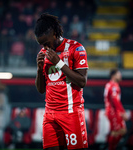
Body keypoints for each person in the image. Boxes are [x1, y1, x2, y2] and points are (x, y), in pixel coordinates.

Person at [35, 13, 89, 150]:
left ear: (54, 33)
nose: (45, 47)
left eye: (46, 43)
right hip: (50, 115)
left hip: (71, 113)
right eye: (42, 44)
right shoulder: (45, 53)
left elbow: (82, 81)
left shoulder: (76, 48)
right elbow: (41, 89)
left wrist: (58, 63)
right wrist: (39, 69)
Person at [104, 69, 128, 150]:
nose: (120, 76)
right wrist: (123, 112)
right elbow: (115, 100)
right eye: (119, 74)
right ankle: (111, 148)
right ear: (113, 76)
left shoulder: (112, 85)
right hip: (113, 111)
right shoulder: (112, 85)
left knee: (122, 131)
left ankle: (112, 147)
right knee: (116, 132)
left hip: (114, 111)